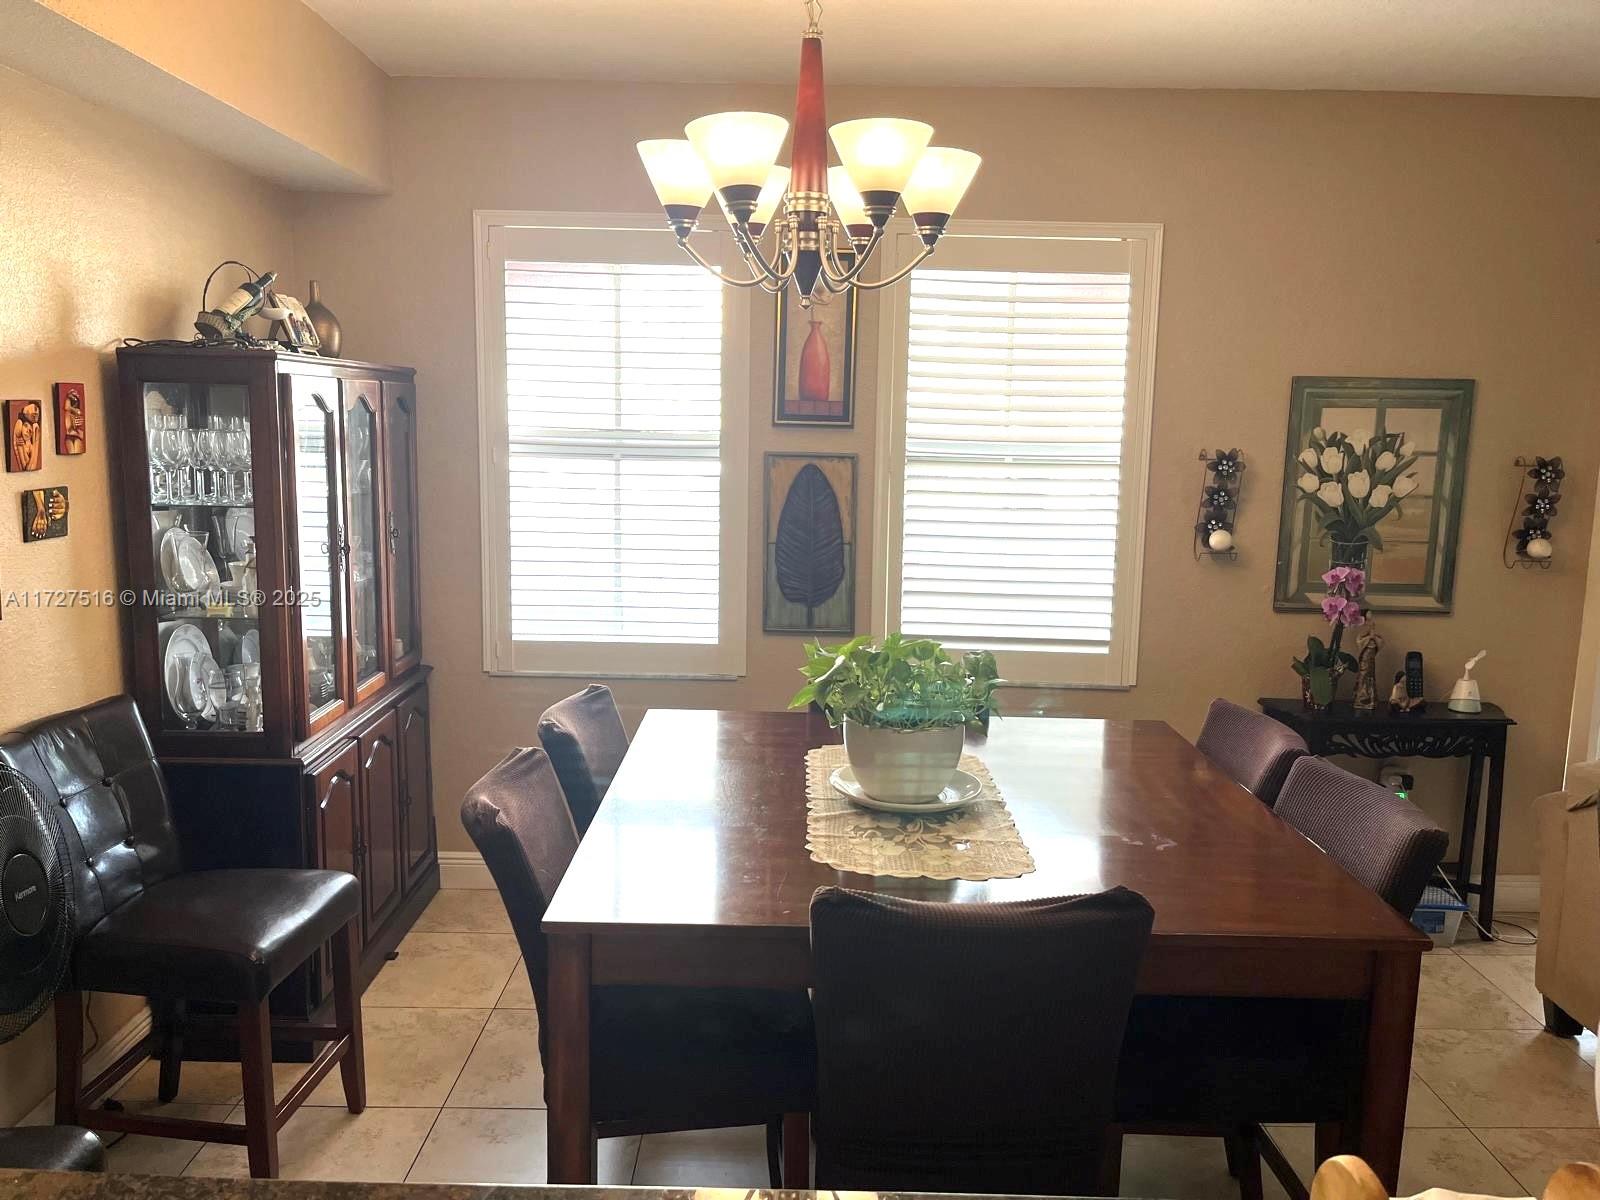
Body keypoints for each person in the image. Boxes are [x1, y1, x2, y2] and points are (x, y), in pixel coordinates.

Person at [10, 400, 41, 470]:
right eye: (26, 426)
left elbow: (30, 468)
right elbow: (28, 468)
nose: (27, 431)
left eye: (30, 430)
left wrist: (36, 441)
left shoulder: (30, 444)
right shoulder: (19, 424)